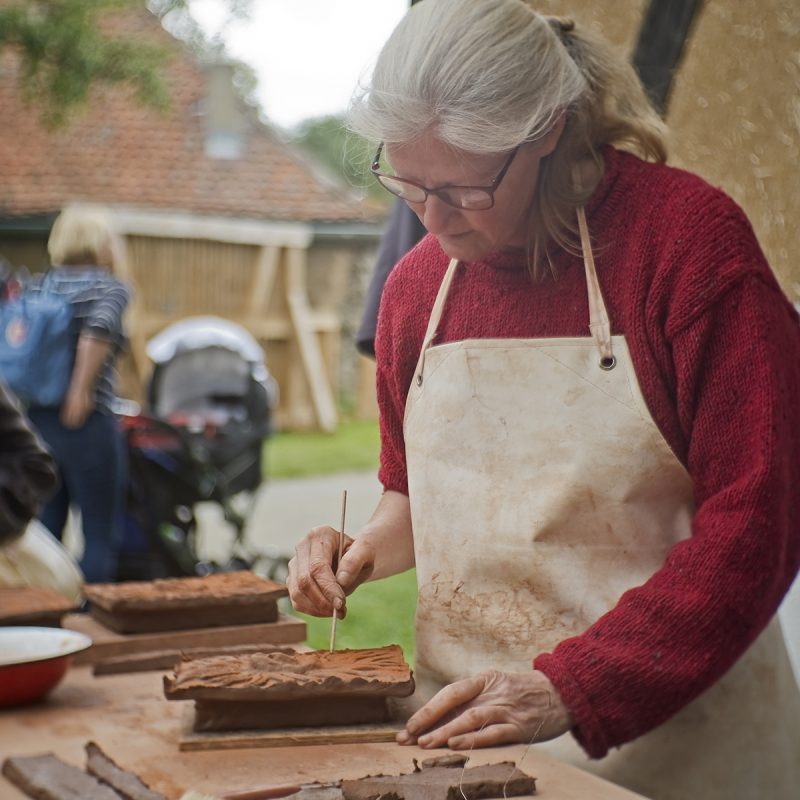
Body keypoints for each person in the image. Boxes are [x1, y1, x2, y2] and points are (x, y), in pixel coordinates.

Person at [286, 1, 800, 798]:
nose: (433, 217)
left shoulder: (689, 247)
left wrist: (575, 686)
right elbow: (418, 500)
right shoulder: (415, 291)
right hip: (473, 744)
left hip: (680, 742)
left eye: (465, 186)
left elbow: (760, 523)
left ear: (549, 130)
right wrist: (353, 552)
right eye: (408, 184)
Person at [26, 207, 131, 584]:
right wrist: (80, 391)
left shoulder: (40, 286)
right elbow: (99, 330)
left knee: (47, 529)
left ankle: (49, 618)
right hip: (86, 421)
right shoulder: (109, 287)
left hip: (36, 421)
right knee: (100, 532)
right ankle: (93, 624)